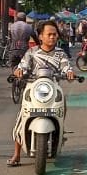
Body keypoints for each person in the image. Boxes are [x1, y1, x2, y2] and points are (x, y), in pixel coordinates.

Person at [8, 20, 76, 166]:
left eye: (54, 34)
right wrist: (19, 71)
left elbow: (66, 67)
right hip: (33, 88)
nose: (52, 37)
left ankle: (59, 133)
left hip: (53, 88)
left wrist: (69, 73)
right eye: (49, 34)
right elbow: (23, 66)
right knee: (21, 118)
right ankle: (16, 154)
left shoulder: (60, 53)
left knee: (62, 108)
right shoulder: (31, 52)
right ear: (40, 36)